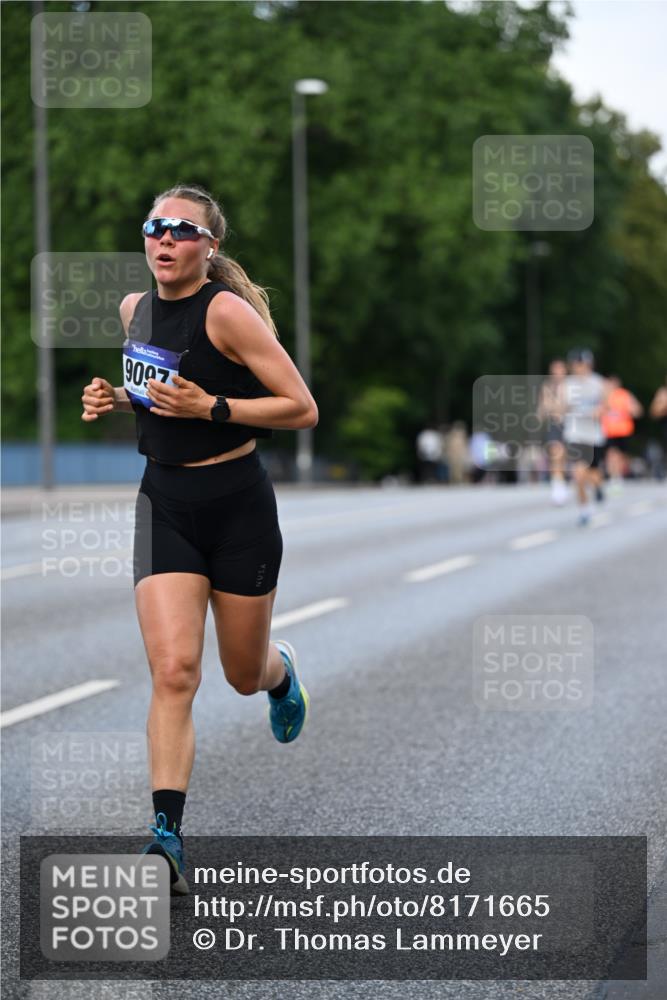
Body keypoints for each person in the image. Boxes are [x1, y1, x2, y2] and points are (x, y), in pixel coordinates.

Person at [80, 184, 318, 895]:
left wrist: (215, 407)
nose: (164, 239)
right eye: (154, 226)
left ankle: (280, 672)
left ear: (209, 247)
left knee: (239, 674)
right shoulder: (135, 310)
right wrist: (117, 397)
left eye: (182, 230)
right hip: (166, 504)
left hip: (238, 506)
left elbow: (301, 407)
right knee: (175, 670)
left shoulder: (229, 313)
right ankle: (166, 837)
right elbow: (160, 392)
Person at [562, 348, 609, 526]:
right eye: (574, 365)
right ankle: (584, 510)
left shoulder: (598, 383)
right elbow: (561, 405)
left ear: (588, 364)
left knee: (594, 474)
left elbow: (607, 405)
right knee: (578, 474)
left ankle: (598, 487)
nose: (577, 368)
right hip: (575, 435)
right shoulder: (567, 384)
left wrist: (599, 411)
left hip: (594, 436)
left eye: (580, 364)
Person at [601, 375, 643, 493]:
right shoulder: (603, 396)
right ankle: (613, 479)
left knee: (620, 457)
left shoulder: (624, 395)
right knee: (611, 455)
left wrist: (631, 410)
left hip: (623, 431)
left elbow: (638, 411)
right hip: (609, 432)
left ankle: (618, 477)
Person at [537, 358, 569, 505]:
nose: (557, 373)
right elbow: (543, 407)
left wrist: (555, 407)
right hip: (554, 425)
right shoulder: (547, 387)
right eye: (554, 370)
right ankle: (558, 487)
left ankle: (562, 481)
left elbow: (568, 406)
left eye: (560, 370)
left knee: (564, 457)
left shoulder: (570, 386)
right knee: (556, 453)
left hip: (570, 425)